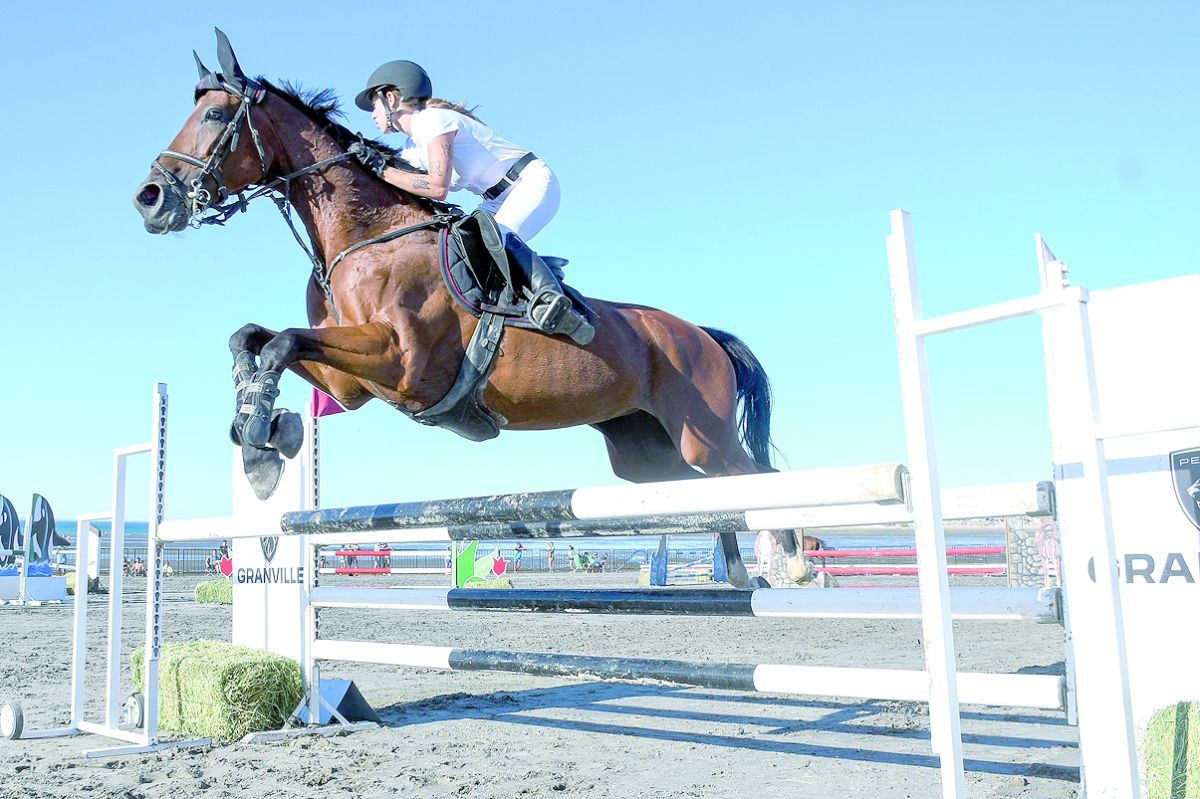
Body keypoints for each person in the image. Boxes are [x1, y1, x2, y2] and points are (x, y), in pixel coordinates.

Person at [351, 60, 593, 345]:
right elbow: (404, 185)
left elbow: (437, 187)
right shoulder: (411, 146)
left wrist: (384, 171)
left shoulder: (432, 119)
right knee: (463, 248)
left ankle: (558, 306)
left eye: (374, 106)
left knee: (495, 239)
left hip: (530, 182)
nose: (373, 115)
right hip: (496, 199)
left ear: (391, 98)